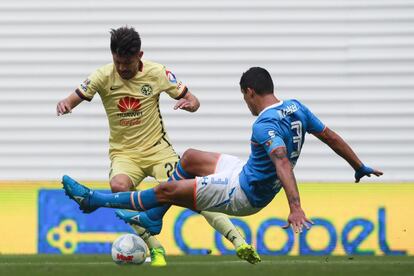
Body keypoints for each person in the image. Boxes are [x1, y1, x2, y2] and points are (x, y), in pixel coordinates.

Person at [62, 66, 383, 245]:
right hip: (245, 170)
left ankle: (93, 200)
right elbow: (330, 135)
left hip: (245, 194)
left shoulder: (264, 125)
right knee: (188, 158)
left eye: (244, 98)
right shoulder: (296, 107)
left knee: (163, 190)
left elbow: (282, 160)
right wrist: (358, 165)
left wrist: (295, 208)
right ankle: (155, 218)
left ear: (249, 93)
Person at [56, 26, 258, 266]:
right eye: (117, 62)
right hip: (124, 154)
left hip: (157, 151)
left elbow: (193, 99)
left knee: (196, 194)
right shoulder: (102, 76)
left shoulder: (157, 72)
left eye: (127, 63)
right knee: (118, 187)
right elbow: (72, 98)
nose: (121, 68)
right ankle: (155, 248)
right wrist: (66, 105)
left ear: (139, 56)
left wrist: (190, 104)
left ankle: (239, 241)